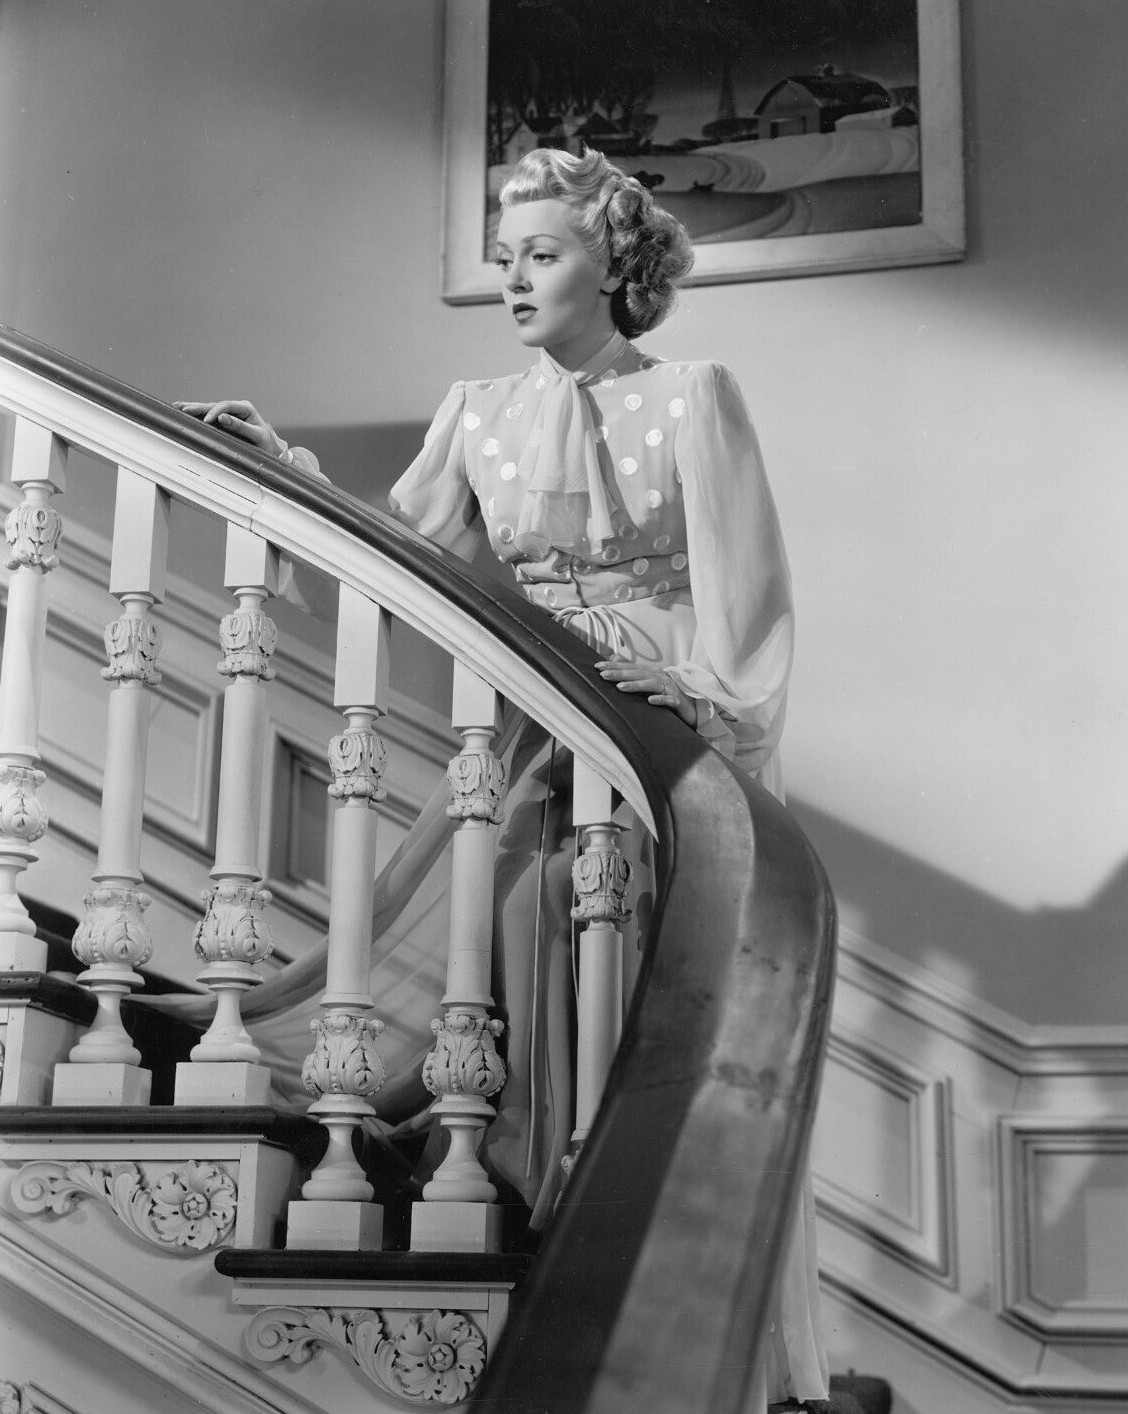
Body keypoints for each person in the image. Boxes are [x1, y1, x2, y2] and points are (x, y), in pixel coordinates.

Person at [177, 145, 829, 1414]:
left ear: (614, 262)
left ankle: (640, 1234)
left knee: (644, 952)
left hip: (656, 718)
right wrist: (286, 474)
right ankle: (553, 1205)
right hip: (539, 711)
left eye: (543, 253)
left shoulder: (693, 394)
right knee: (520, 924)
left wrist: (701, 696)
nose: (515, 279)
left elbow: (747, 590)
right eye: (505, 257)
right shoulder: (477, 411)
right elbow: (401, 554)